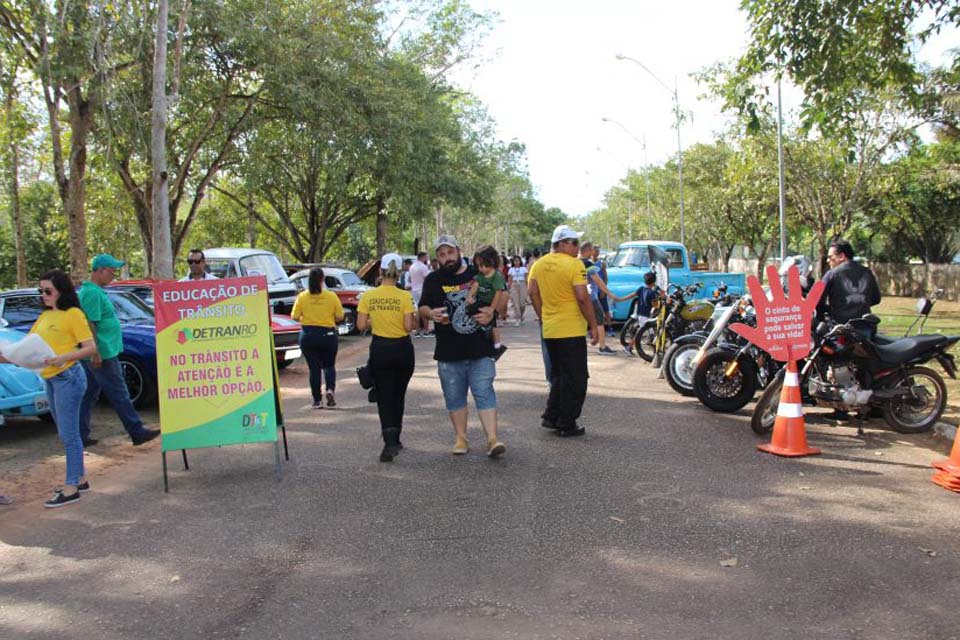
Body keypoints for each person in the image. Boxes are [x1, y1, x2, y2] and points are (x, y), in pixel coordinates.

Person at [0, 271, 98, 507]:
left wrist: (62, 357)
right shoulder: (45, 316)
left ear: (61, 291)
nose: (43, 295)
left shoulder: (73, 314)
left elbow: (90, 347)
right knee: (66, 432)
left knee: (69, 434)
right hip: (51, 378)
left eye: (48, 291)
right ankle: (79, 479)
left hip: (68, 377)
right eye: (40, 291)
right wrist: (8, 356)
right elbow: (27, 347)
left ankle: (71, 486)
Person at [419, 235, 506, 458]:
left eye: (450, 253)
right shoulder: (433, 280)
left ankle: (492, 439)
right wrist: (431, 313)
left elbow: (501, 296)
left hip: (480, 348)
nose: (446, 258)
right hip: (449, 352)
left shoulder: (477, 273)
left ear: (458, 251)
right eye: (441, 255)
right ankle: (461, 438)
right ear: (437, 258)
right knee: (454, 397)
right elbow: (423, 308)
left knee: (484, 392)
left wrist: (492, 313)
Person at [78, 254, 161, 447]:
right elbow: (89, 323)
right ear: (100, 270)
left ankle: (80, 434)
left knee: (89, 394)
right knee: (119, 392)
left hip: (104, 350)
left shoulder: (96, 291)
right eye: (111, 271)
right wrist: (95, 352)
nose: (114, 275)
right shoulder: (91, 293)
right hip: (103, 352)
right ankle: (136, 430)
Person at [528, 225, 599, 437]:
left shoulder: (538, 265)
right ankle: (566, 422)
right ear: (560, 244)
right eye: (574, 242)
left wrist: (544, 316)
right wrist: (594, 325)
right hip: (571, 330)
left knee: (559, 376)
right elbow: (582, 297)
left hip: (550, 330)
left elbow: (532, 293)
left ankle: (551, 416)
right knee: (576, 378)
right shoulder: (574, 265)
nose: (577, 247)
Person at [357, 253, 417, 462]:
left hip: (380, 349)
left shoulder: (368, 296)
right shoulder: (404, 297)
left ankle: (389, 441)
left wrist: (377, 320)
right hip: (403, 350)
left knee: (384, 396)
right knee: (398, 395)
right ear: (399, 272)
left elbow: (361, 325)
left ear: (380, 271)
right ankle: (396, 439)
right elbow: (409, 327)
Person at [291, 266, 344, 409]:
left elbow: (294, 316)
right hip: (327, 335)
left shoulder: (302, 296)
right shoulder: (331, 296)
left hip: (308, 335)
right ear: (322, 280)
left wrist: (307, 316)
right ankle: (330, 390)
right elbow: (340, 316)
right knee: (329, 365)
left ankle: (316, 400)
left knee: (314, 369)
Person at [817, 240, 882, 324]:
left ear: (841, 256)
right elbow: (876, 299)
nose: (828, 261)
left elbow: (817, 301)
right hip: (865, 326)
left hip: (839, 327)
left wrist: (829, 311)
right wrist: (858, 306)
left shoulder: (832, 274)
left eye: (830, 257)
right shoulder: (867, 272)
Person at [466, 245, 508, 360]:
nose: (481, 269)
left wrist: (492, 309)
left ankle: (497, 346)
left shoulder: (497, 276)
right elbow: (476, 285)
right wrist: (470, 296)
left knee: (493, 324)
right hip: (481, 301)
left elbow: (498, 293)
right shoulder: (480, 275)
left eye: (484, 265)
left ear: (492, 262)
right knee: (470, 311)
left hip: (491, 303)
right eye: (478, 266)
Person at [580, 243, 618, 355]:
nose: (593, 252)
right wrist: (609, 293)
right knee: (600, 320)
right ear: (588, 250)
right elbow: (598, 280)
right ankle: (602, 346)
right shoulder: (587, 263)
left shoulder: (576, 262)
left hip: (581, 296)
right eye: (592, 250)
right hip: (591, 296)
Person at [616, 271, 659, 356]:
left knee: (642, 332)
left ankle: (651, 351)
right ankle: (629, 347)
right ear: (654, 282)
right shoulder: (652, 293)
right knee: (647, 333)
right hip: (646, 316)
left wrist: (621, 299)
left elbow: (632, 295)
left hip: (640, 314)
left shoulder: (641, 289)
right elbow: (655, 305)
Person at [408, 252, 431, 337]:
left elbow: (410, 279)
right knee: (424, 308)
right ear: (423, 257)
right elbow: (427, 279)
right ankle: (426, 329)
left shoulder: (412, 267)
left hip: (414, 290)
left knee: (417, 309)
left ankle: (417, 329)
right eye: (426, 257)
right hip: (422, 289)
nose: (427, 259)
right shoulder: (423, 267)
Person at [506, 255, 528, 326]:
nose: (516, 262)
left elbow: (526, 279)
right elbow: (509, 280)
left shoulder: (524, 269)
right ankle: (517, 318)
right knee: (516, 303)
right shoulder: (511, 270)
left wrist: (527, 287)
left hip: (522, 284)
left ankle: (521, 315)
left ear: (520, 261)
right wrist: (508, 288)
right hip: (514, 284)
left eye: (518, 261)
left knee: (522, 303)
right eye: (515, 261)